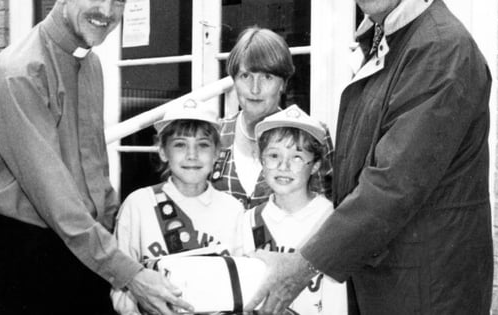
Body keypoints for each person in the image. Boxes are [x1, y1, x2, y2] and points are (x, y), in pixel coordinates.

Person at [245, 0, 494, 314]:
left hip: (425, 292)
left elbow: (391, 186)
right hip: (392, 283)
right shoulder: (390, 38)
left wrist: (301, 266)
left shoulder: (439, 50)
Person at [0, 0, 191, 315]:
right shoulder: (20, 74)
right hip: (26, 255)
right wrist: (128, 272)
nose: (107, 10)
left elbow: (93, 169)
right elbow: (56, 199)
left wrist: (122, 242)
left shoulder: (90, 61)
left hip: (82, 247)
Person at [112, 98, 245, 314]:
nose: (192, 155)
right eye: (180, 144)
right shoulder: (138, 205)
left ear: (217, 153)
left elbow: (242, 286)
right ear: (163, 151)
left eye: (203, 145)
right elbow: (120, 285)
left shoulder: (233, 210)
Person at [240, 105, 347, 315]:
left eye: (297, 157)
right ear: (261, 159)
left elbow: (337, 303)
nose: (283, 166)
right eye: (273, 155)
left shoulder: (332, 220)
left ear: (315, 165)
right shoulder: (250, 220)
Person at [211, 26, 332, 208]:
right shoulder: (214, 134)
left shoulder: (311, 134)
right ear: (234, 80)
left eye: (267, 77)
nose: (255, 89)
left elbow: (326, 212)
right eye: (245, 76)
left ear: (283, 84)